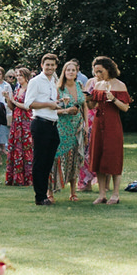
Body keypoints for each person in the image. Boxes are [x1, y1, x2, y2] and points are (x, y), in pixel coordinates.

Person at [86, 57, 131, 205]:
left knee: (113, 158)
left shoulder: (120, 85)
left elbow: (125, 108)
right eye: (96, 71)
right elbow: (92, 105)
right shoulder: (97, 84)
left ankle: (116, 194)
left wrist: (114, 99)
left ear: (108, 69)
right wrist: (87, 98)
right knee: (98, 157)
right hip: (99, 124)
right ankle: (102, 194)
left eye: (100, 71)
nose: (98, 74)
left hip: (113, 125)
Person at [25, 54, 61, 205]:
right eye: (47, 65)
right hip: (40, 123)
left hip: (53, 123)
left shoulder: (54, 82)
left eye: (52, 65)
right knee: (40, 161)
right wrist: (48, 104)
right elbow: (28, 103)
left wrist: (57, 104)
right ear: (42, 65)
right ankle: (39, 196)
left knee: (48, 162)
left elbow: (52, 103)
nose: (50, 67)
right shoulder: (35, 81)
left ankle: (45, 194)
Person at [53, 60, 87, 202]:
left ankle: (73, 192)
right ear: (64, 72)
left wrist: (86, 124)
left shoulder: (80, 85)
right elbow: (53, 108)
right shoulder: (58, 88)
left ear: (77, 72)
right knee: (58, 157)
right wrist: (66, 110)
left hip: (77, 127)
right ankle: (51, 191)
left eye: (73, 70)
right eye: (68, 70)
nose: (71, 72)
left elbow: (84, 105)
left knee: (75, 158)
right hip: (62, 126)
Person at [5, 68, 34, 187]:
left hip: (26, 122)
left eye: (20, 76)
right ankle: (16, 177)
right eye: (17, 76)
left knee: (26, 148)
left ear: (26, 77)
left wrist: (14, 102)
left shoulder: (30, 90)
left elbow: (28, 106)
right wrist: (8, 98)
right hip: (16, 122)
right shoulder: (17, 90)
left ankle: (28, 177)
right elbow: (13, 107)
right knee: (16, 148)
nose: (18, 78)